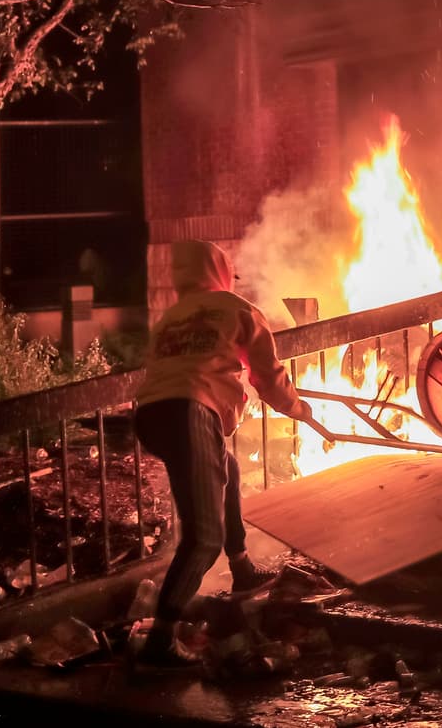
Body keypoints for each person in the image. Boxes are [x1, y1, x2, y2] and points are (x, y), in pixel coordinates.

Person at [133, 239, 313, 667]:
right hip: (191, 411)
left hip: (151, 415)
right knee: (203, 538)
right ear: (219, 271)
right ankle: (161, 639)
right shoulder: (238, 309)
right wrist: (298, 408)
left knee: (226, 466)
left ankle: (243, 567)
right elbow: (268, 376)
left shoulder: (170, 318)